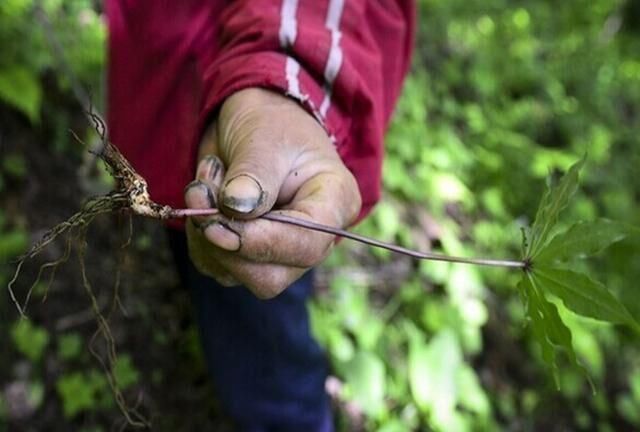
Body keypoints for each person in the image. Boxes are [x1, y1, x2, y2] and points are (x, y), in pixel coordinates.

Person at [106, 1, 415, 430]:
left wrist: (282, 81)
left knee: (271, 370)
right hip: (167, 118)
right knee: (205, 265)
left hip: (251, 133)